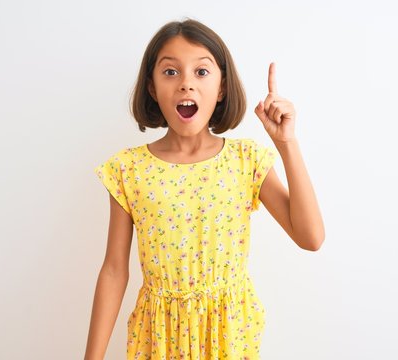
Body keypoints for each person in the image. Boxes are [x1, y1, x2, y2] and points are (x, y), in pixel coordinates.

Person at [84, 18, 325, 360]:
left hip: (228, 337)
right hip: (158, 339)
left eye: (201, 72)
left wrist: (286, 143)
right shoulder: (128, 170)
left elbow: (311, 237)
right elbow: (113, 270)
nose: (186, 84)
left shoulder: (245, 160)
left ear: (222, 87)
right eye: (170, 72)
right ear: (151, 87)